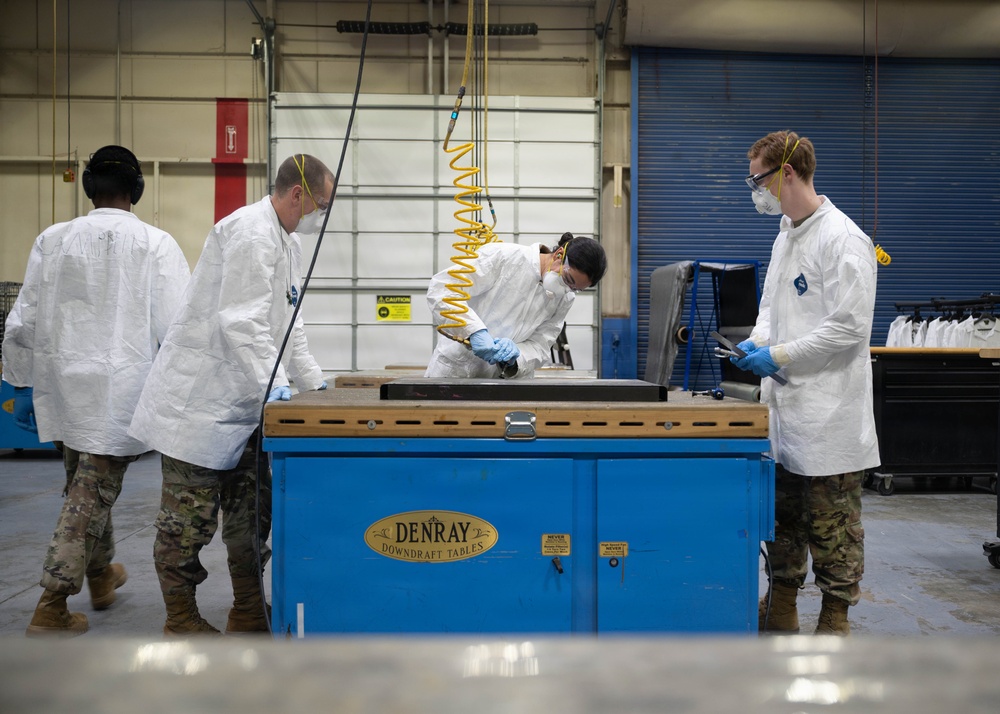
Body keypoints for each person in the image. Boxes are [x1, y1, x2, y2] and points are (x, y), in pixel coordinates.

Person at [128, 154, 331, 636]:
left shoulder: (287, 243)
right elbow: (239, 320)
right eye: (319, 205)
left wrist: (312, 384)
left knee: (250, 518)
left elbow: (289, 323)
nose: (317, 216)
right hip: (199, 404)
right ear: (296, 193)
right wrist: (278, 384)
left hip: (246, 404)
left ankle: (246, 609)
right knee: (186, 525)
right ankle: (180, 619)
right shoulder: (249, 232)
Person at [2, 144, 190, 637]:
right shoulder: (156, 244)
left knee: (84, 489)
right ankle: (51, 605)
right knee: (88, 497)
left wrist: (18, 383)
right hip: (119, 395)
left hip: (64, 391)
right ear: (137, 188)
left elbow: (23, 319)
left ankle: (102, 577)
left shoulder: (53, 239)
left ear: (89, 188)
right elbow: (177, 328)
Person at [731, 130, 880, 636]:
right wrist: (758, 341)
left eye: (758, 179)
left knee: (833, 526)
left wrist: (781, 354)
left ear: (786, 174)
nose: (755, 189)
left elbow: (850, 326)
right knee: (783, 521)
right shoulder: (786, 233)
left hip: (829, 413)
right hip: (785, 412)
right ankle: (781, 609)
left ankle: (835, 618)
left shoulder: (844, 239)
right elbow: (773, 307)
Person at [425, 232, 607, 379]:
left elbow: (541, 344)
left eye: (576, 289)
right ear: (559, 255)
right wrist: (474, 332)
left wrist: (517, 358)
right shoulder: (505, 257)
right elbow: (443, 289)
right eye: (568, 280)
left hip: (503, 384)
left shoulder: (565, 297)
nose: (567, 290)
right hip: (454, 373)